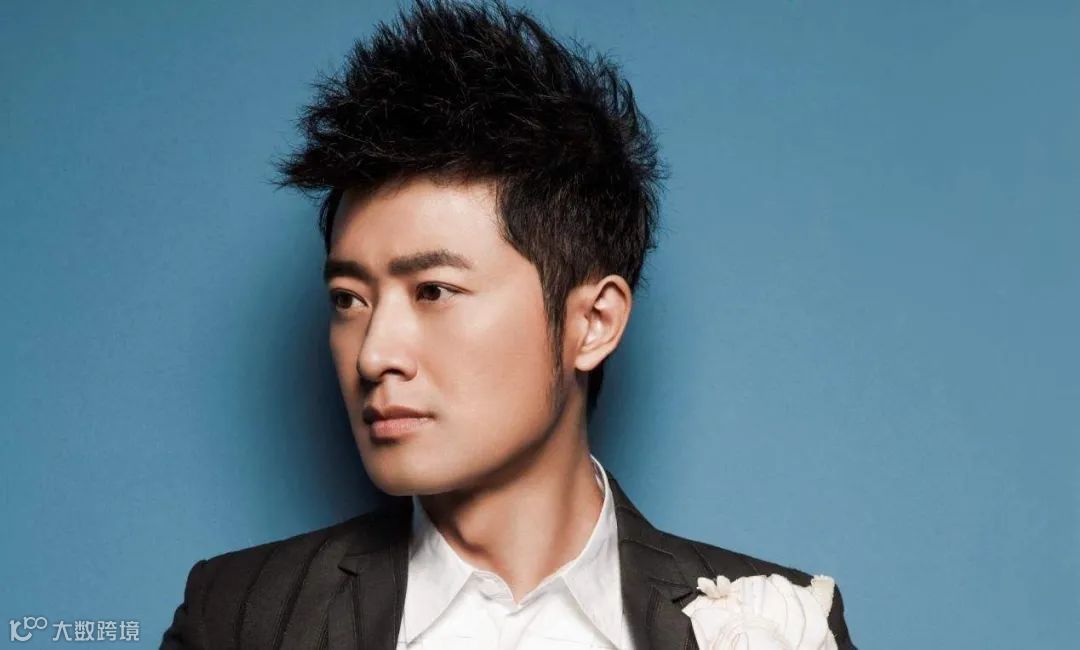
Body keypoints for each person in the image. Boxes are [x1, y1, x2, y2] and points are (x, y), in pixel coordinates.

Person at [161, 1, 855, 648]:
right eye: (349, 299)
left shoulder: (777, 624)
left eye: (433, 291)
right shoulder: (239, 612)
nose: (374, 355)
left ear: (593, 322)